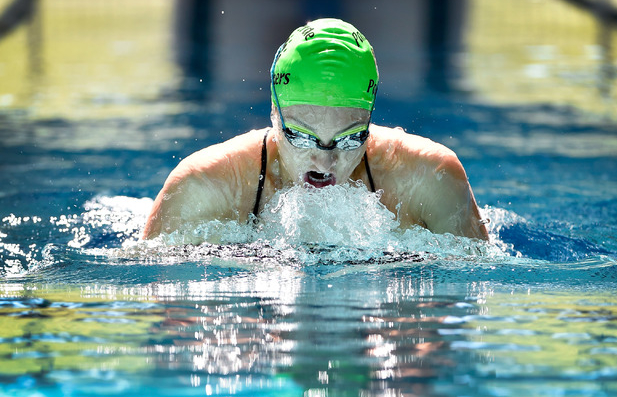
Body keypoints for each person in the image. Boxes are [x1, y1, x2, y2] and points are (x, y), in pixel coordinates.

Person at [143, 18, 489, 241]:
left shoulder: (430, 179)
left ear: (370, 122)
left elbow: (465, 308)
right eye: (301, 136)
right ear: (274, 113)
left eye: (350, 137)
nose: (324, 161)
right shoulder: (204, 188)